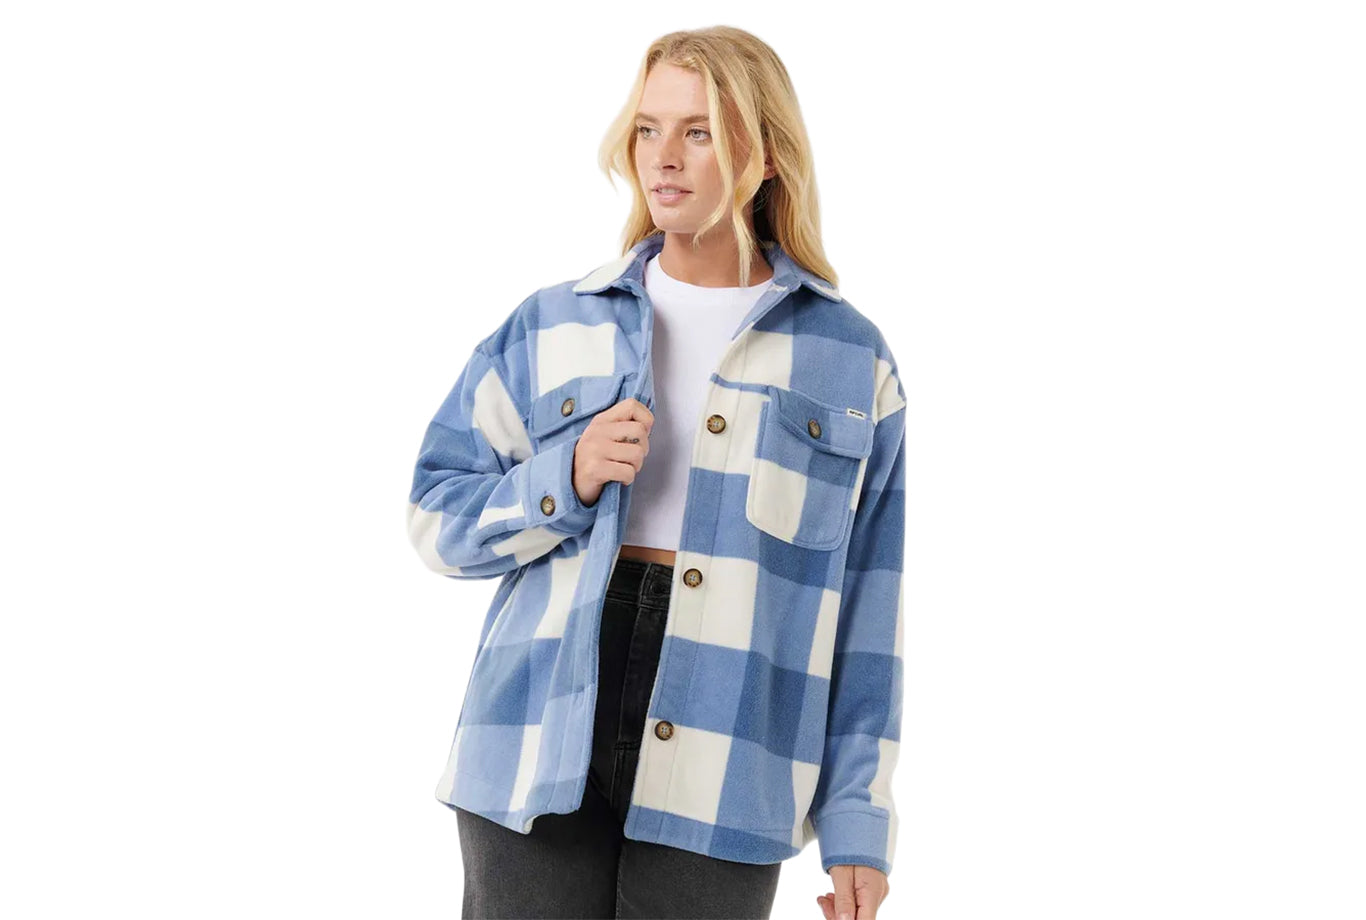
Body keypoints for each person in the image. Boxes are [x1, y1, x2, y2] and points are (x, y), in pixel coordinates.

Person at [406, 25, 905, 920]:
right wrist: (567, 476)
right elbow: (436, 519)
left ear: (764, 155)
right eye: (647, 129)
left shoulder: (849, 360)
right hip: (535, 730)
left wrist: (857, 823)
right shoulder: (554, 325)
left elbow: (869, 609)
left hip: (734, 747)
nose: (662, 158)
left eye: (697, 131)